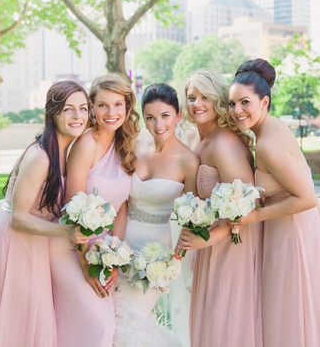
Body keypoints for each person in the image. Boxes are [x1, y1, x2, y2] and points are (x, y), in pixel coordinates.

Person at [0, 81, 90, 347]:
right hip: (12, 242)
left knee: (28, 319)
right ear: (53, 113)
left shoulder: (66, 151)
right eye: (68, 109)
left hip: (34, 241)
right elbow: (19, 218)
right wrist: (66, 231)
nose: (78, 116)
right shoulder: (40, 156)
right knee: (12, 319)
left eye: (83, 108)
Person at [228, 58, 320, 347]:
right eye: (231, 104)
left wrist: (253, 217)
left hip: (293, 233)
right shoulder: (269, 128)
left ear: (264, 102)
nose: (237, 111)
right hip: (291, 227)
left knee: (292, 309)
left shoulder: (268, 143)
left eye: (245, 103)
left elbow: (305, 197)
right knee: (292, 309)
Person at [50, 73, 139, 347]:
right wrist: (86, 263)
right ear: (92, 108)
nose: (111, 113)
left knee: (105, 327)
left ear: (127, 107)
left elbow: (122, 204)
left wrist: (115, 255)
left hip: (102, 250)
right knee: (98, 326)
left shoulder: (125, 145)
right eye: (102, 105)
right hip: (71, 246)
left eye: (118, 105)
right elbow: (71, 209)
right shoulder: (86, 144)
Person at [176, 69, 263, 347]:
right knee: (206, 319)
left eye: (206, 97)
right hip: (206, 242)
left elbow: (248, 204)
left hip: (232, 243)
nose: (197, 104)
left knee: (223, 322)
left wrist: (211, 237)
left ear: (219, 102)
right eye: (191, 97)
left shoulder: (225, 144)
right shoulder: (193, 138)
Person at [112, 83, 199, 347]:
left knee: (133, 319)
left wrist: (172, 263)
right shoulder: (134, 148)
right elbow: (122, 202)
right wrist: (114, 248)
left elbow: (191, 219)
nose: (158, 124)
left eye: (165, 116)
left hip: (155, 252)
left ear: (178, 115)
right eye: (150, 117)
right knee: (112, 316)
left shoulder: (188, 161)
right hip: (121, 241)